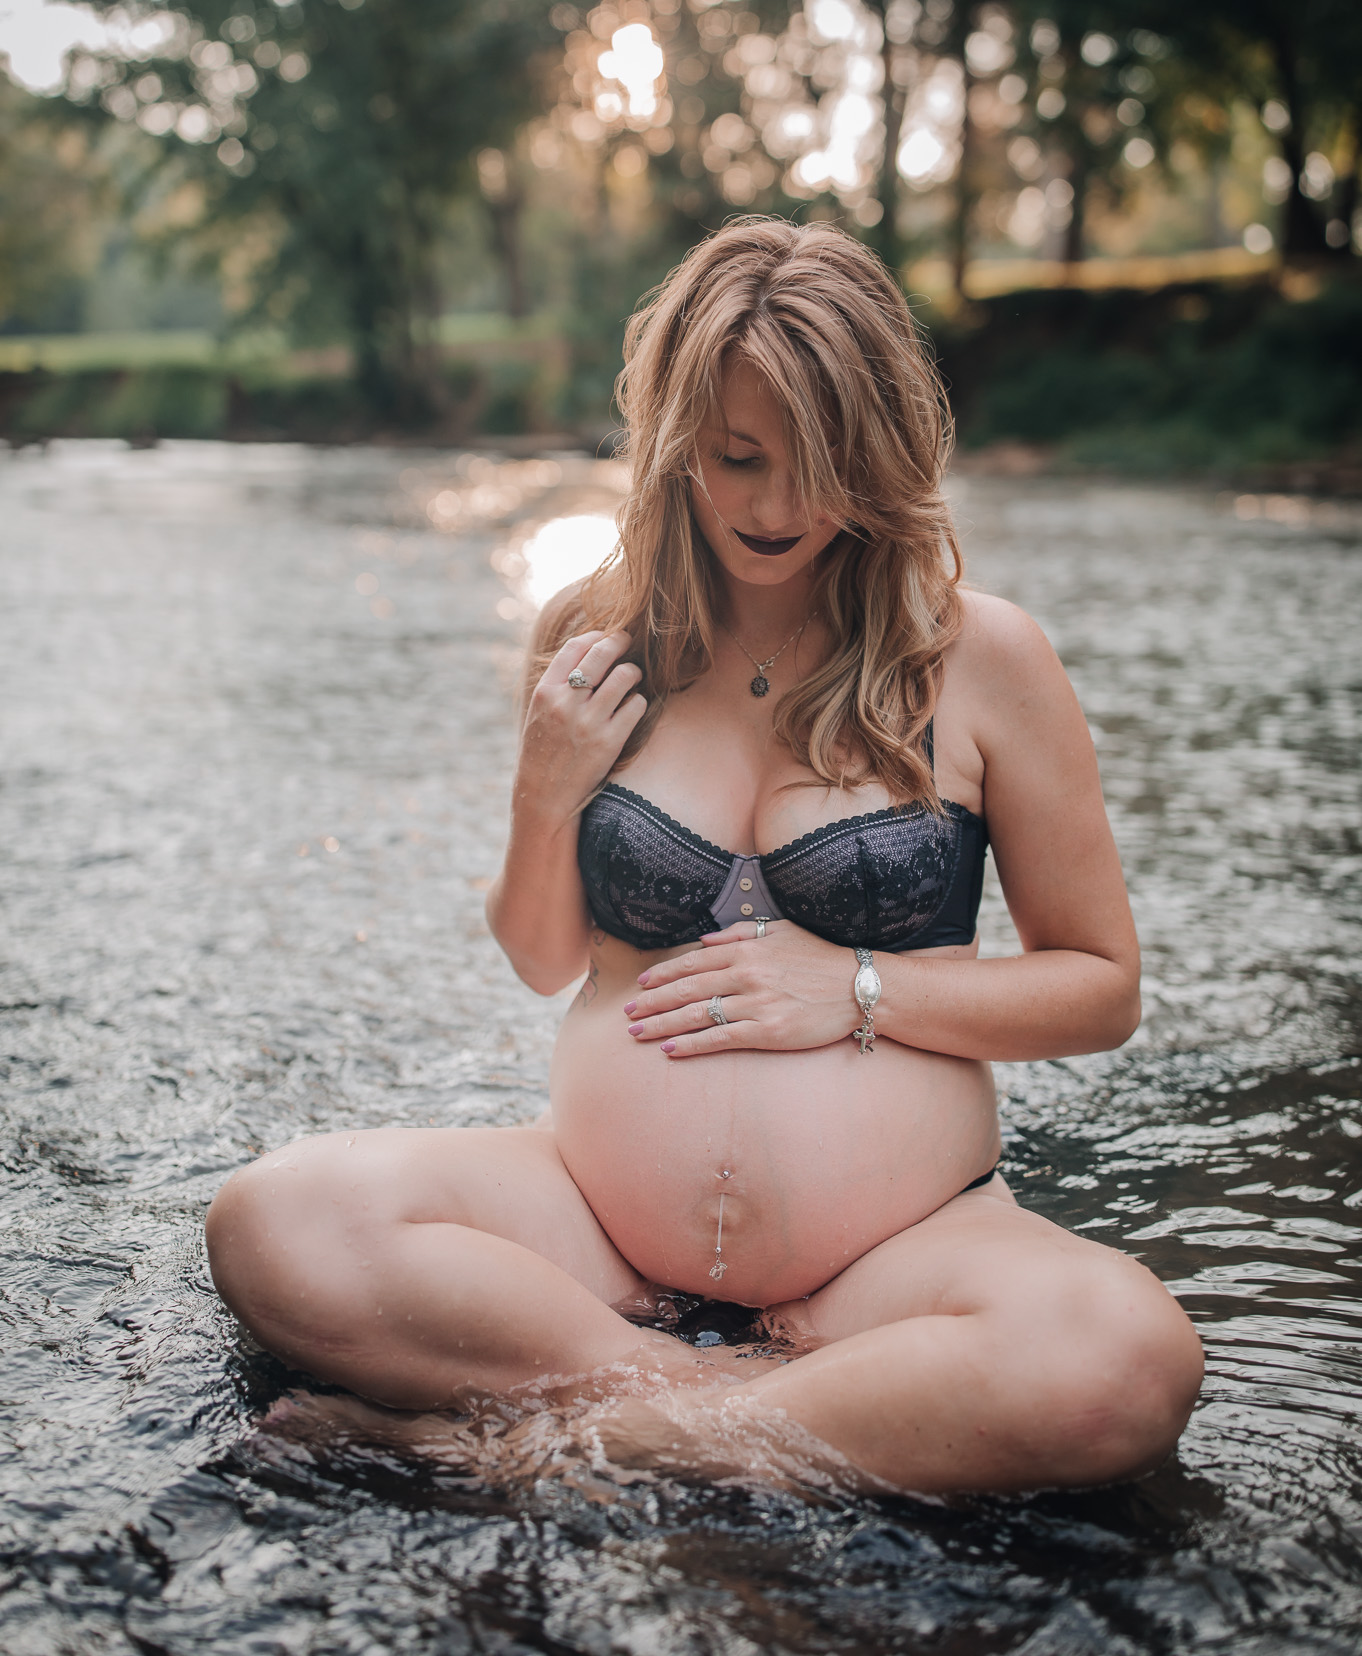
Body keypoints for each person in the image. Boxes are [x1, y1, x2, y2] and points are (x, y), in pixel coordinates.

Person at [206, 217, 1203, 1495]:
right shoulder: (593, 635)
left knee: (1123, 1356)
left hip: (899, 1254)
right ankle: (745, 1411)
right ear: (675, 441)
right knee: (276, 1221)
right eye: (735, 459)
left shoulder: (984, 659)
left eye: (819, 463)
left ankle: (531, 1442)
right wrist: (541, 789)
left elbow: (1098, 986)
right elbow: (540, 954)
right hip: (594, 1240)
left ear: (880, 452)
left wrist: (850, 985)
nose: (776, 506)